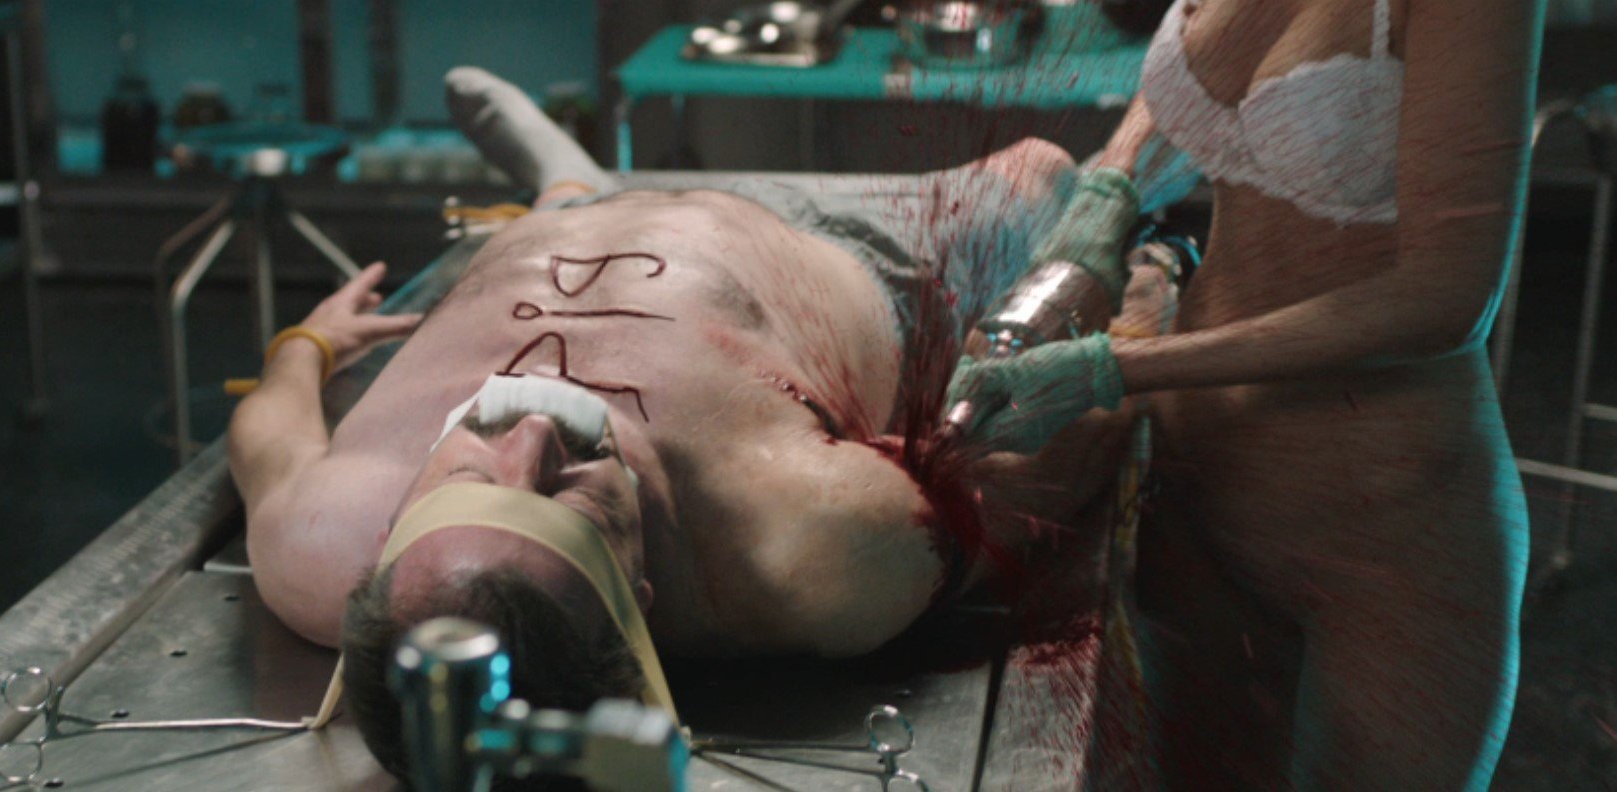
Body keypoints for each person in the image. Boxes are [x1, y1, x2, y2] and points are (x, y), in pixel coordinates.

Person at [227, 68, 1166, 778]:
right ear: (638, 588)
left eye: (471, 473)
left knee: (561, 215)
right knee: (1043, 173)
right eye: (567, 497)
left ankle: (567, 182)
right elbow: (1046, 467)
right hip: (852, 248)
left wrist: (307, 343)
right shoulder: (807, 550)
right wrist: (1127, 340)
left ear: (393, 533)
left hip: (553, 240)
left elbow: (264, 430)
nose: (534, 434)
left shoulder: (322, 543)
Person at [942, 0, 1539, 787]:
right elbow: (1195, 73)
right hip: (1193, 497)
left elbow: (1448, 298)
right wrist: (1111, 190)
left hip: (1381, 540)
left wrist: (1121, 368)